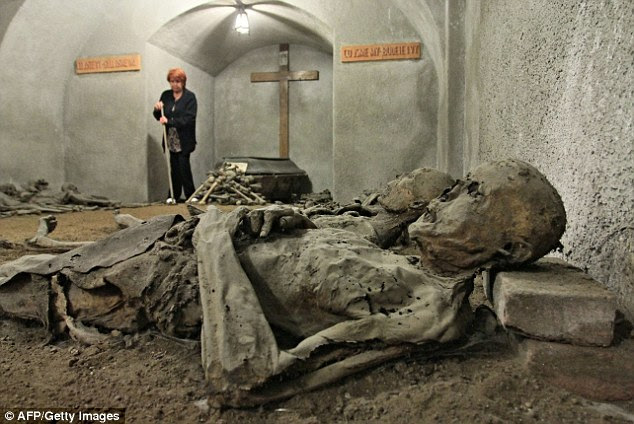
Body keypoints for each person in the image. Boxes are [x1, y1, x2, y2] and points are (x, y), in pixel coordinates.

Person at [0, 159, 566, 405]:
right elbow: (316, 246)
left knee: (16, 282)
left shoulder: (423, 308)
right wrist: (280, 217)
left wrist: (216, 235)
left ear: (509, 249)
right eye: (457, 185)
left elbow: (247, 377)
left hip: (143, 285)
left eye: (471, 196)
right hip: (167, 244)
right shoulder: (398, 254)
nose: (442, 199)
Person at [153, 68, 198, 202]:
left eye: (177, 81)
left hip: (184, 139)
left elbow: (189, 119)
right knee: (174, 168)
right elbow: (159, 116)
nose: (175, 84)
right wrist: (157, 110)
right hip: (170, 139)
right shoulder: (166, 95)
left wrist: (170, 121)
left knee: (184, 167)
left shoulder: (190, 97)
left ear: (183, 82)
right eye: (172, 81)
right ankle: (173, 196)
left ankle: (191, 195)